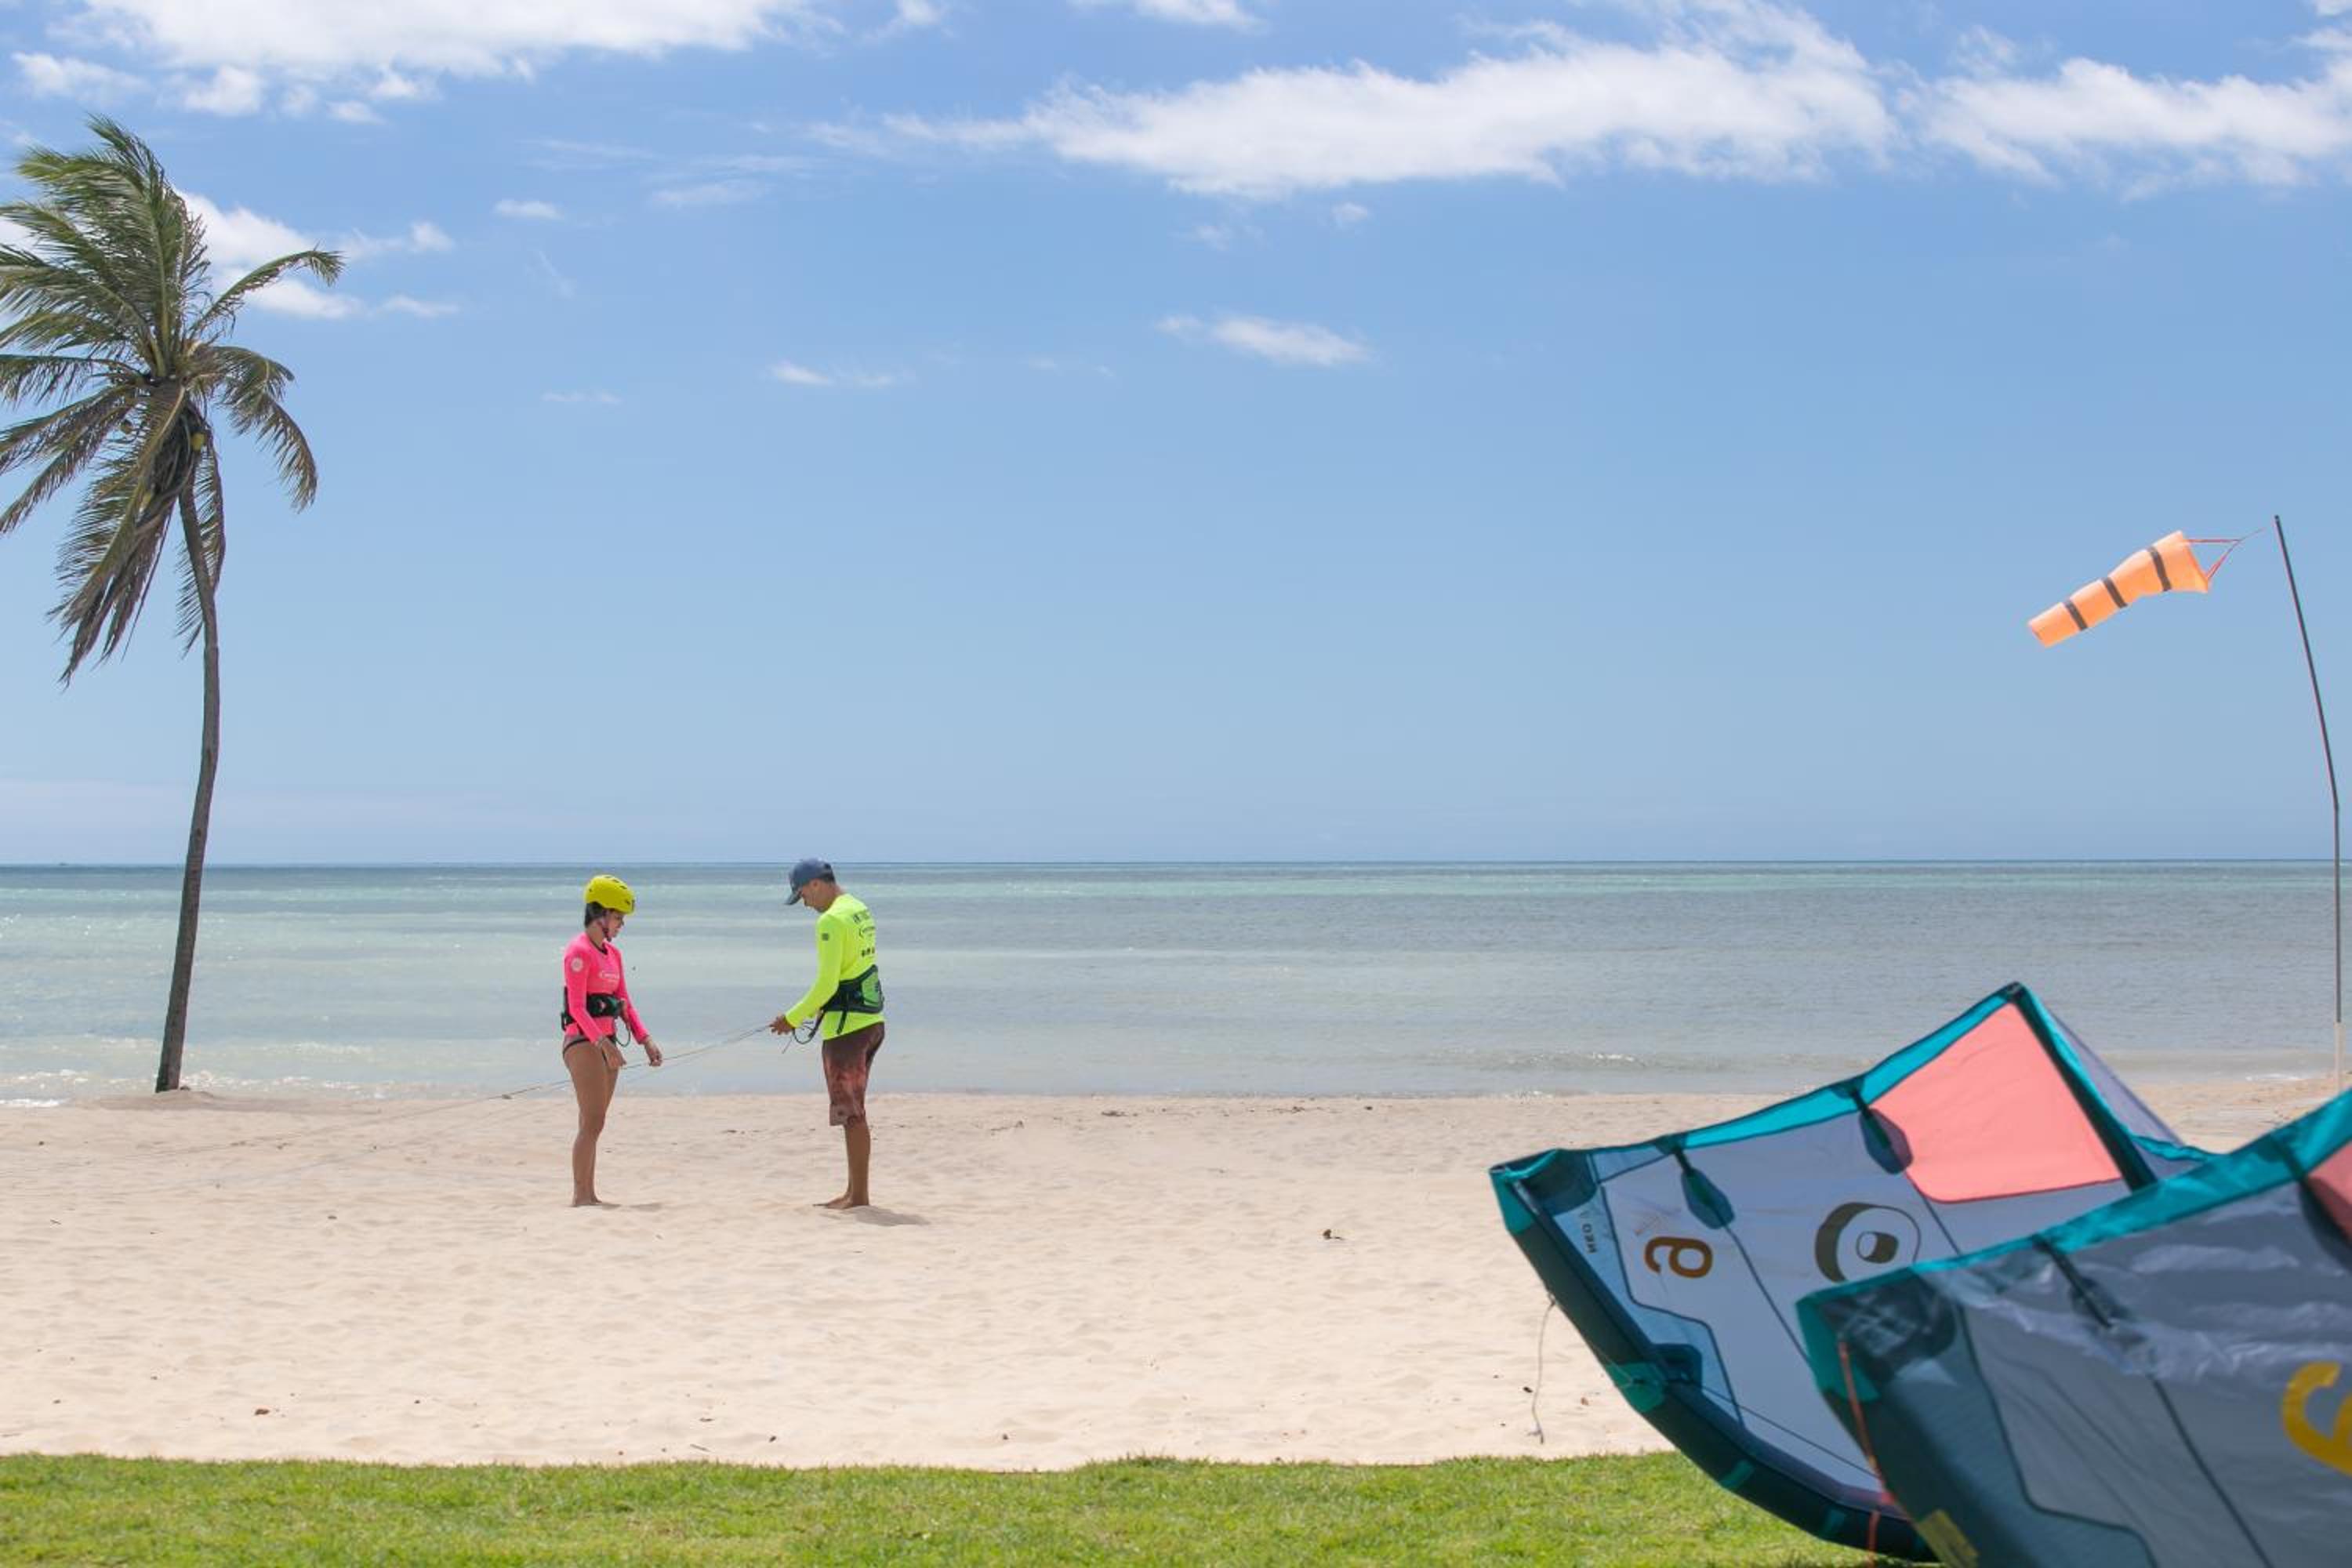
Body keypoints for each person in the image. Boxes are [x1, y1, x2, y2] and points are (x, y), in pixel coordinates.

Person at [768, 858, 884, 1209]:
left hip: (847, 1029)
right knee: (855, 1111)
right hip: (872, 1021)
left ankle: (859, 1197)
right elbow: (853, 968)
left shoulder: (830, 920)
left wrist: (791, 1018)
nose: (805, 903)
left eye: (803, 895)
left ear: (816, 884)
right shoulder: (859, 909)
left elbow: (826, 984)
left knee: (852, 1114)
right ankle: (852, 1192)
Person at [561, 873, 662, 1207]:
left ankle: (590, 1194)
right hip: (583, 1043)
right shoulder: (578, 952)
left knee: (594, 1122)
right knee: (592, 1120)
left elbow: (625, 1004)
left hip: (608, 1044)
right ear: (601, 914)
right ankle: (581, 1196)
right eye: (618, 918)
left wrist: (645, 1039)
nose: (622, 925)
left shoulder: (613, 955)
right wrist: (603, 1046)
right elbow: (577, 1008)